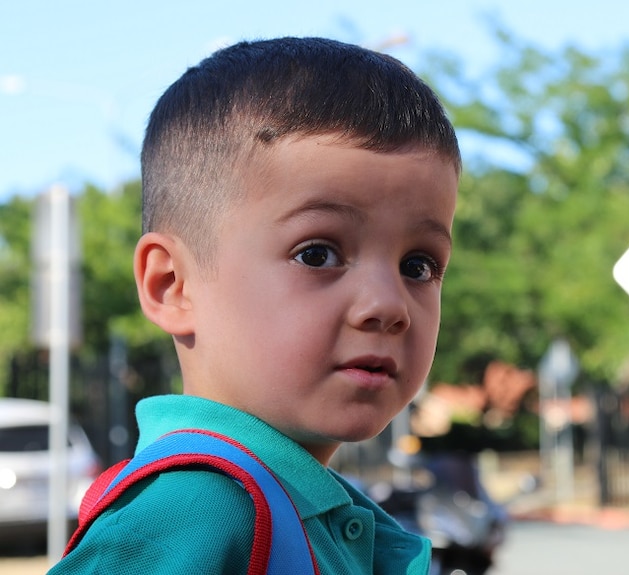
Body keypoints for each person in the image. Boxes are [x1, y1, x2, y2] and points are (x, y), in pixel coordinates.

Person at [50, 36, 460, 574]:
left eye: (418, 266)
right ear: (172, 285)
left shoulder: (301, 506)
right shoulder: (197, 511)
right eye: (317, 254)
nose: (389, 305)